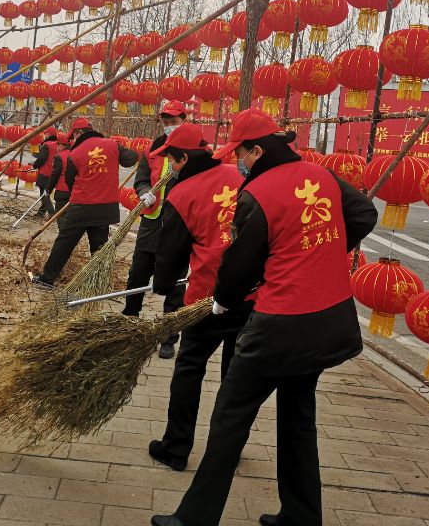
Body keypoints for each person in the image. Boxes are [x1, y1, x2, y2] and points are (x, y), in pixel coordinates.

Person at [151, 109, 378, 526]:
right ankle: (300, 517)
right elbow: (365, 213)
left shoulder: (258, 193)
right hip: (327, 320)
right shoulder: (321, 174)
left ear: (257, 150)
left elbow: (241, 263)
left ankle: (194, 519)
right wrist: (317, 253)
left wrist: (223, 299)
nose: (238, 162)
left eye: (241, 153)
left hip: (278, 325)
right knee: (298, 419)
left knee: (230, 417)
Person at [143, 122, 248, 472]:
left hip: (207, 298)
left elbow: (170, 254)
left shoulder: (182, 193)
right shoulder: (240, 176)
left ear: (184, 159)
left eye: (172, 161)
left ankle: (176, 448)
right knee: (236, 375)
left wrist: (163, 285)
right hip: (252, 295)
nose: (170, 167)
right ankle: (228, 449)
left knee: (190, 368)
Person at [32, 118, 138, 287]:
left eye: (73, 136)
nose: (72, 140)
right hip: (106, 208)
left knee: (64, 242)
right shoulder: (112, 145)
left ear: (79, 133)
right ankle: (99, 284)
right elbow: (131, 159)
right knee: (99, 248)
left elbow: (70, 181)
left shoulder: (75, 153)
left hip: (82, 207)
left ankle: (48, 278)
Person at [122, 100, 188, 359]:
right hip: (152, 222)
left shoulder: (195, 151)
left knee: (175, 285)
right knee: (137, 276)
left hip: (179, 227)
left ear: (184, 120)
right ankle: (129, 325)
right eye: (166, 121)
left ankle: (169, 337)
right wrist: (143, 192)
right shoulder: (153, 148)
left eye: (174, 121)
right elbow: (141, 178)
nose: (170, 125)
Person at [32, 126, 60, 216]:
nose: (44, 136)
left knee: (43, 194)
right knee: (47, 192)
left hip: (45, 172)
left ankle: (51, 212)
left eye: (45, 134)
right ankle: (41, 212)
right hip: (54, 173)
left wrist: (35, 165)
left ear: (48, 135)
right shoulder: (58, 144)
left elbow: (41, 158)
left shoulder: (47, 145)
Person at [45, 132, 72, 213]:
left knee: (60, 215)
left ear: (61, 146)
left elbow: (55, 174)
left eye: (58, 145)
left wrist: (49, 189)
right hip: (73, 191)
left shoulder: (59, 156)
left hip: (62, 190)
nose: (57, 147)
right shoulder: (74, 154)